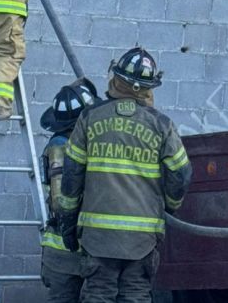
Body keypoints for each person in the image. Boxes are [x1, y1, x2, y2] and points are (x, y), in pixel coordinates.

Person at [58, 48, 192, 303]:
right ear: (148, 88)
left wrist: (68, 221)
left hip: (98, 237)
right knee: (135, 295)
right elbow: (181, 174)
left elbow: (71, 175)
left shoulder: (89, 118)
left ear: (116, 78)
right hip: (142, 239)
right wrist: (170, 207)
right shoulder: (162, 125)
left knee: (98, 294)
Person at [40, 78, 101, 303]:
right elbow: (60, 201)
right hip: (73, 248)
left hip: (67, 250)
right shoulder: (61, 146)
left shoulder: (81, 143)